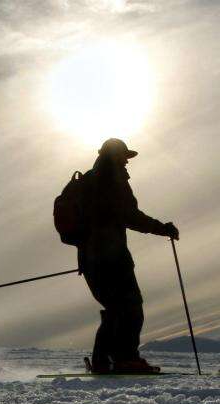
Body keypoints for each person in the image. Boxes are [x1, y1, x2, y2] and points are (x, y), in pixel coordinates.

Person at [78, 138, 179, 374]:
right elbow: (129, 215)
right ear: (115, 157)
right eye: (124, 157)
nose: (126, 162)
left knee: (115, 308)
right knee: (131, 305)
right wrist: (162, 228)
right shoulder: (112, 179)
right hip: (112, 257)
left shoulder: (89, 180)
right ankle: (125, 359)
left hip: (90, 259)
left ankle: (104, 360)